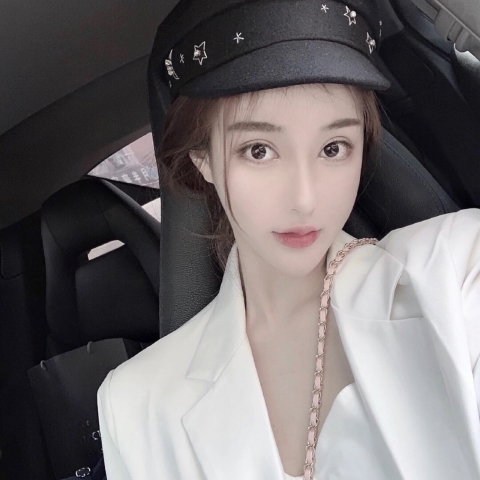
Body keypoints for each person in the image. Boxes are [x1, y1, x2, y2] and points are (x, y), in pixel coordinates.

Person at [97, 1, 480, 479]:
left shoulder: (456, 271)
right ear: (204, 159)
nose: (304, 199)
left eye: (333, 148)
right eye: (259, 150)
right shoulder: (135, 406)